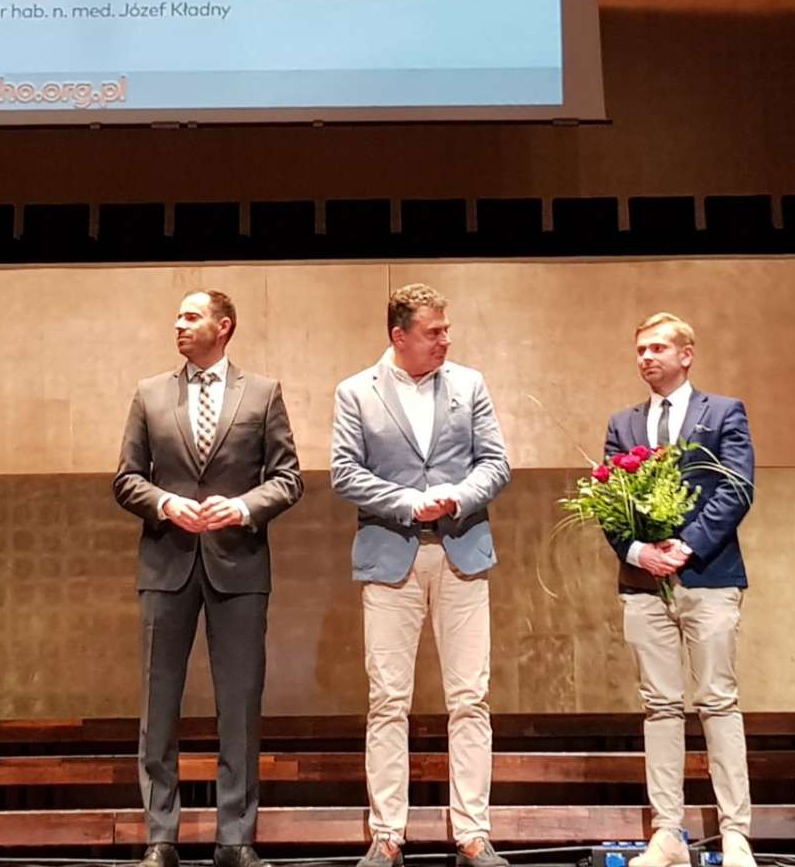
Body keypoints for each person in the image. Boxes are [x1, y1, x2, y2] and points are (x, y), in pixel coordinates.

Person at [113, 289, 305, 867]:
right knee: (158, 705)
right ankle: (160, 837)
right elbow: (126, 479)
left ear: (223, 327)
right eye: (177, 316)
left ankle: (235, 838)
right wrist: (165, 503)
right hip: (166, 563)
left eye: (191, 316)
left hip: (239, 565)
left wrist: (242, 507)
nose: (178, 324)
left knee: (240, 706)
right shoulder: (150, 393)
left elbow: (288, 478)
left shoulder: (263, 393)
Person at [330, 283, 512, 867]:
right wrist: (411, 502)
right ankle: (387, 834)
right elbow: (344, 473)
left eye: (446, 330)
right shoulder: (357, 391)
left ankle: (473, 833)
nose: (445, 340)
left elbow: (496, 463)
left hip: (462, 553)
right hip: (391, 557)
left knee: (470, 697)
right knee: (388, 699)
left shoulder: (469, 384)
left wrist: (457, 496)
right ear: (399, 336)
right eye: (433, 332)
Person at [601, 312, 757, 867]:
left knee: (717, 702)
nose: (647, 357)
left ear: (686, 355)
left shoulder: (724, 412)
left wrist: (686, 546)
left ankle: (735, 833)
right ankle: (667, 833)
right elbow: (609, 499)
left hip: (708, 577)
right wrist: (638, 552)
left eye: (658, 348)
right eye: (641, 349)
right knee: (660, 707)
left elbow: (737, 488)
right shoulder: (623, 423)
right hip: (644, 584)